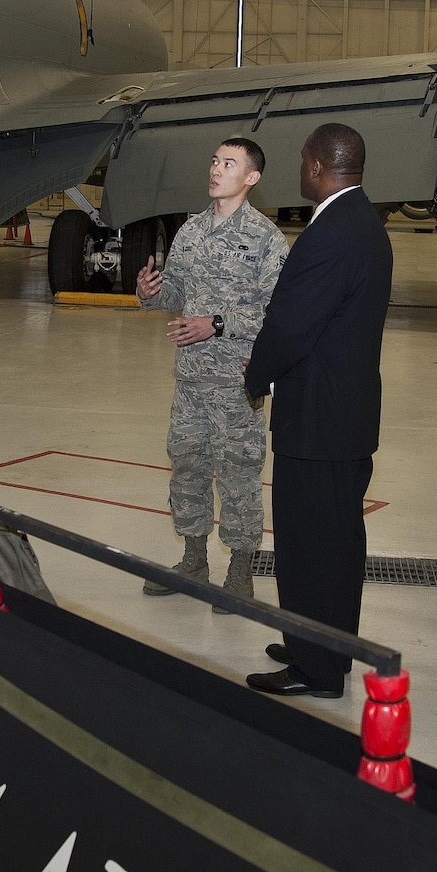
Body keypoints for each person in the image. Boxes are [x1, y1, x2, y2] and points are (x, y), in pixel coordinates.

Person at [241, 123, 393, 699]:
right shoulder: (361, 223)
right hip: (344, 413)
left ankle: (317, 668)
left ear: (316, 166)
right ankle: (323, 644)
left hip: (320, 420)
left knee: (311, 547)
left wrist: (255, 374)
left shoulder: (331, 233)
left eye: (303, 161)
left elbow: (290, 324)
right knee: (336, 542)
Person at [135, 138, 288, 609]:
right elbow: (176, 292)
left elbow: (279, 313)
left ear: (251, 178)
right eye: (214, 161)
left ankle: (240, 570)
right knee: (187, 468)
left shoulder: (267, 240)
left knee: (238, 476)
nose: (216, 169)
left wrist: (217, 324)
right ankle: (193, 559)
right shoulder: (191, 231)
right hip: (190, 379)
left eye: (228, 163)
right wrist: (149, 292)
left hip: (236, 382)